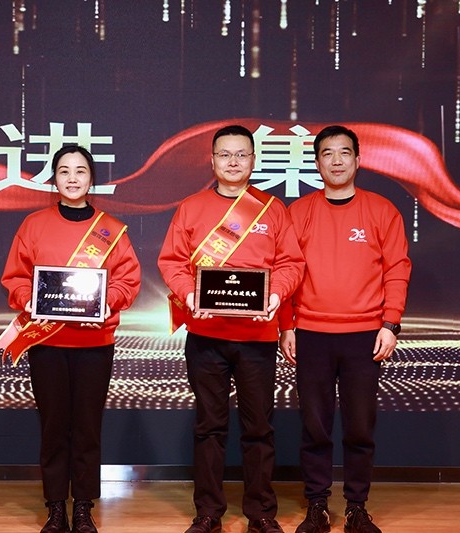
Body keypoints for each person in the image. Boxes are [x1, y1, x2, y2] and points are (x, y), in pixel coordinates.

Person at [158, 125, 305, 533]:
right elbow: (172, 262)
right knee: (209, 427)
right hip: (206, 337)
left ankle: (261, 513)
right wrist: (189, 294)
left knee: (259, 428)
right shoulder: (191, 208)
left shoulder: (272, 209)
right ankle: (208, 512)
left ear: (254, 160)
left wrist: (275, 295)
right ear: (212, 160)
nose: (233, 161)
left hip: (257, 339)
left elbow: (291, 263)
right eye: (225, 154)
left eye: (241, 154)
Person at [1, 144, 141, 533]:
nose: (73, 178)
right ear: (54, 179)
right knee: (53, 426)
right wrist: (28, 298)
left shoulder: (111, 229)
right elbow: (16, 277)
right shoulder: (33, 225)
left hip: (95, 345)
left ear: (91, 178)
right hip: (47, 344)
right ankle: (55, 508)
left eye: (80, 171)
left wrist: (107, 302)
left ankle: (83, 507)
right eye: (64, 171)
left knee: (87, 427)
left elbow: (128, 280)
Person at [279, 126, 411, 533]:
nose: (336, 161)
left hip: (365, 335)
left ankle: (357, 507)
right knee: (314, 426)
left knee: (359, 427)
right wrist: (287, 325)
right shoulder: (298, 212)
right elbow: (285, 270)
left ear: (358, 159)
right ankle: (317, 505)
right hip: (311, 333)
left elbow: (397, 269)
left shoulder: (382, 210)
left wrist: (390, 323)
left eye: (344, 153)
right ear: (317, 163)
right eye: (327, 153)